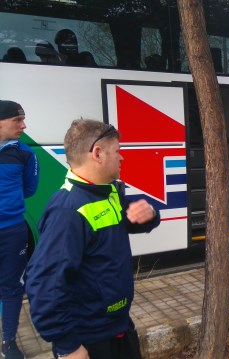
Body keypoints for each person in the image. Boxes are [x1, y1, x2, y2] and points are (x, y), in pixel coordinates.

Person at [26, 119, 160, 359]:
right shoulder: (67, 209)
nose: (122, 158)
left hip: (118, 328)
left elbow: (130, 219)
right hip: (89, 340)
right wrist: (68, 346)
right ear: (97, 153)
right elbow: (43, 282)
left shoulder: (106, 193)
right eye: (118, 151)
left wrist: (149, 214)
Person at [0, 100, 38, 359]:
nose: (23, 126)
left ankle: (8, 342)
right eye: (17, 120)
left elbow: (29, 189)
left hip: (12, 231)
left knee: (12, 287)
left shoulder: (24, 153)